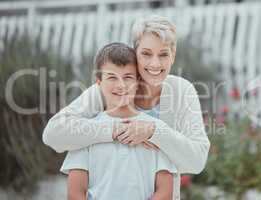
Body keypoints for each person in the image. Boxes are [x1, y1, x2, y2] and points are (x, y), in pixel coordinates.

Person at [43, 15, 210, 200]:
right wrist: (116, 129)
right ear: (135, 52)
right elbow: (53, 134)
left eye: (163, 54)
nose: (155, 63)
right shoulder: (108, 90)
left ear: (173, 55)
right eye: (146, 54)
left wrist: (154, 131)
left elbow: (197, 161)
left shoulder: (181, 91)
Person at [60, 43, 177, 200]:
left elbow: (164, 191)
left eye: (128, 77)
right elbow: (75, 193)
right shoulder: (85, 132)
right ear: (99, 83)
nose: (121, 85)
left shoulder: (153, 129)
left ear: (138, 81)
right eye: (112, 77)